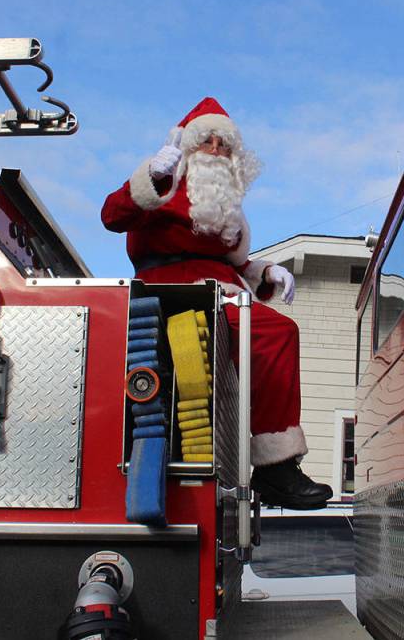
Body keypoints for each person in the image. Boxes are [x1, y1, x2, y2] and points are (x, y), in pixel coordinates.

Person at [102, 97, 333, 510]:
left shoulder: (227, 205)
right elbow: (112, 216)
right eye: (206, 141)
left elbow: (234, 262)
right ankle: (275, 467)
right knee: (274, 333)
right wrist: (152, 176)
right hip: (174, 290)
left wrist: (265, 272)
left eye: (223, 144)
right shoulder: (164, 184)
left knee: (281, 331)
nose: (214, 149)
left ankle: (274, 461)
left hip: (224, 290)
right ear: (188, 147)